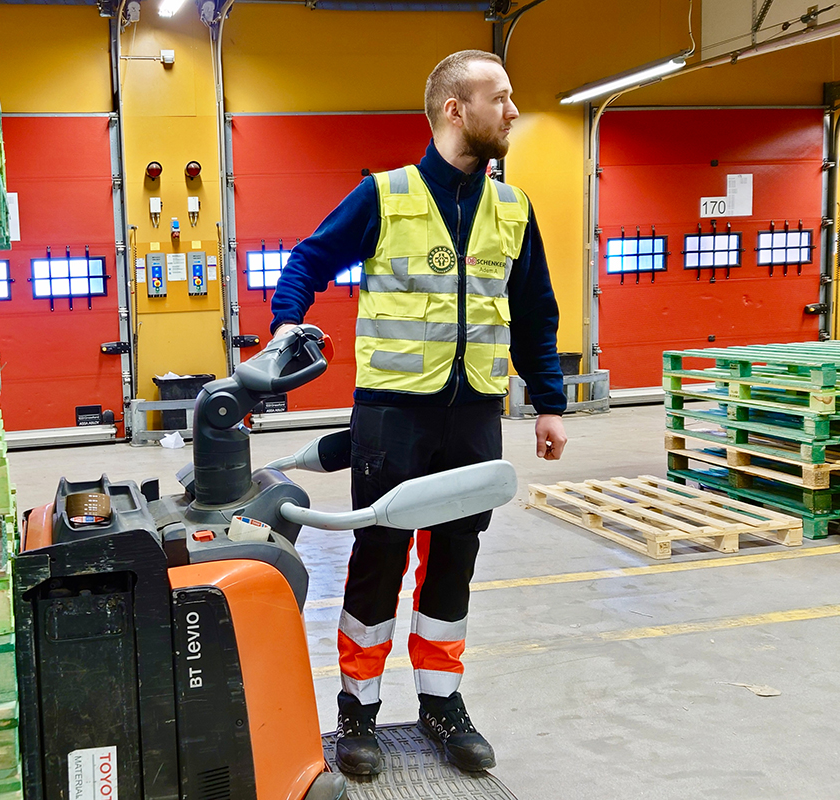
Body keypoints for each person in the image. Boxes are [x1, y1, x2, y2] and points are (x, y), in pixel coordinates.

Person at [269, 50, 568, 776]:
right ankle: (357, 712)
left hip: (473, 416)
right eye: (500, 97)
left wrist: (550, 402)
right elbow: (308, 259)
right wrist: (287, 324)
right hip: (392, 417)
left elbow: (535, 312)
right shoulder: (385, 196)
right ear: (454, 110)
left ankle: (441, 702)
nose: (514, 109)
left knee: (454, 560)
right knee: (377, 558)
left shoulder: (514, 209)